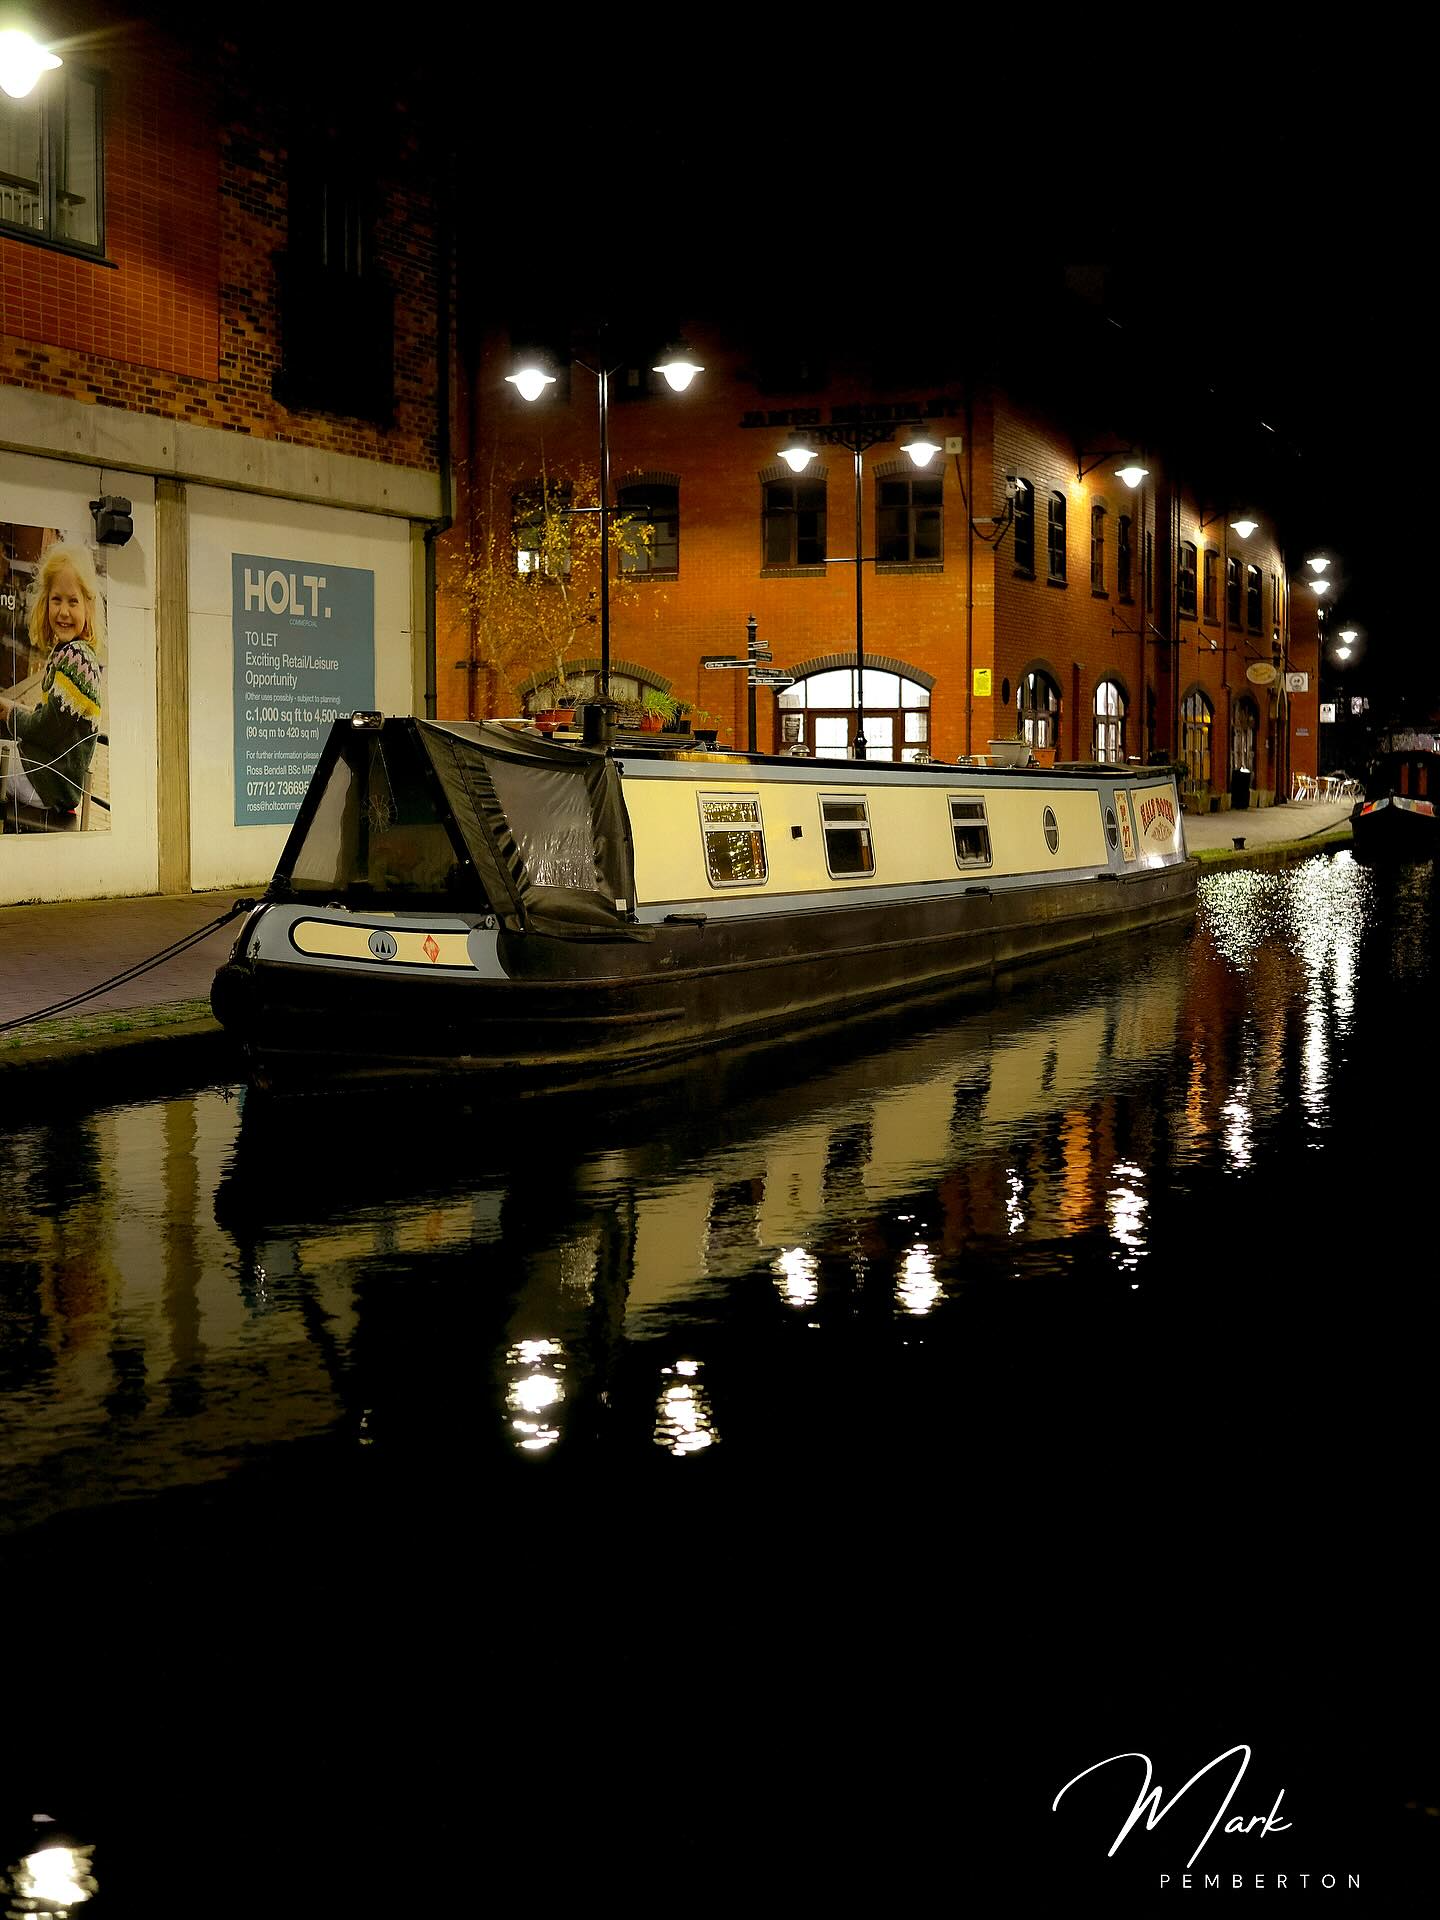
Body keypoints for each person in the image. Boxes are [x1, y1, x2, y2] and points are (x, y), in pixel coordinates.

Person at [0, 543, 105, 819]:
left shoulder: (78, 660)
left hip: (49, 783)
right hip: (49, 777)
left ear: (88, 607)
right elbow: (53, 720)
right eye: (56, 599)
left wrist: (10, 714)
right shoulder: (67, 653)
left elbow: (47, 728)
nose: (64, 612)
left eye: (73, 601)